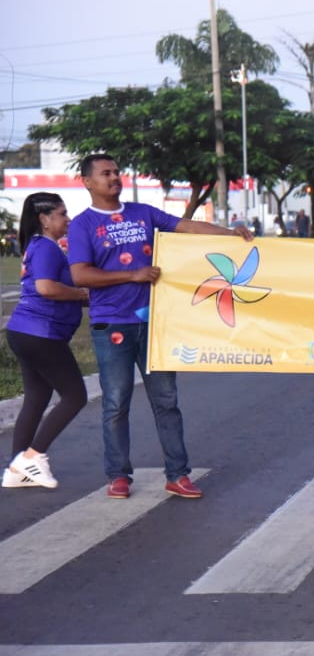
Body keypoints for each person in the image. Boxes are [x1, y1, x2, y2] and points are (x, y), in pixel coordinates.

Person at [67, 154, 255, 500]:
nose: (114, 178)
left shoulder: (143, 213)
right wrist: (132, 274)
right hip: (112, 326)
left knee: (166, 401)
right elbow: (80, 275)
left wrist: (231, 235)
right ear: (88, 182)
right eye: (106, 174)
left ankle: (178, 473)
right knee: (116, 402)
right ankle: (118, 475)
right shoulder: (82, 225)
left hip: (157, 324)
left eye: (116, 172)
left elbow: (187, 227)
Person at [3, 193, 90, 489]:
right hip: (41, 333)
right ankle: (33, 456)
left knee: (37, 397)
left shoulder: (40, 246)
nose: (67, 219)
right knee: (75, 395)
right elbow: (46, 288)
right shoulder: (47, 248)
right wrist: (81, 295)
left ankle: (17, 468)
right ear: (44, 219)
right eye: (62, 214)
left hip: (26, 331)